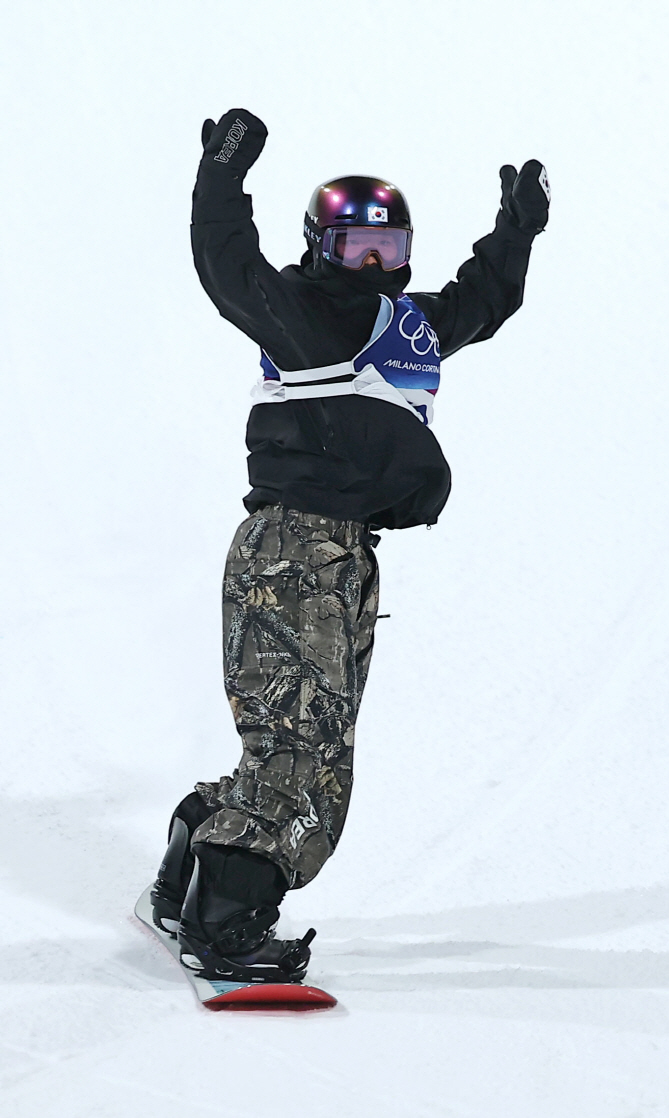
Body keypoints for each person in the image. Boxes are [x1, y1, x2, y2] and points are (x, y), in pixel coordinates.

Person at [149, 108, 550, 984]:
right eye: (353, 248)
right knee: (306, 762)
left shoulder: (407, 326)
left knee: (298, 740)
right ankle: (225, 927)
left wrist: (515, 230)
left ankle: (192, 872)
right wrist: (222, 178)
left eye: (388, 247)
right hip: (295, 550)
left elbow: (484, 301)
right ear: (319, 249)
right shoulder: (302, 315)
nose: (373, 265)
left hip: (340, 556)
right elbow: (227, 268)